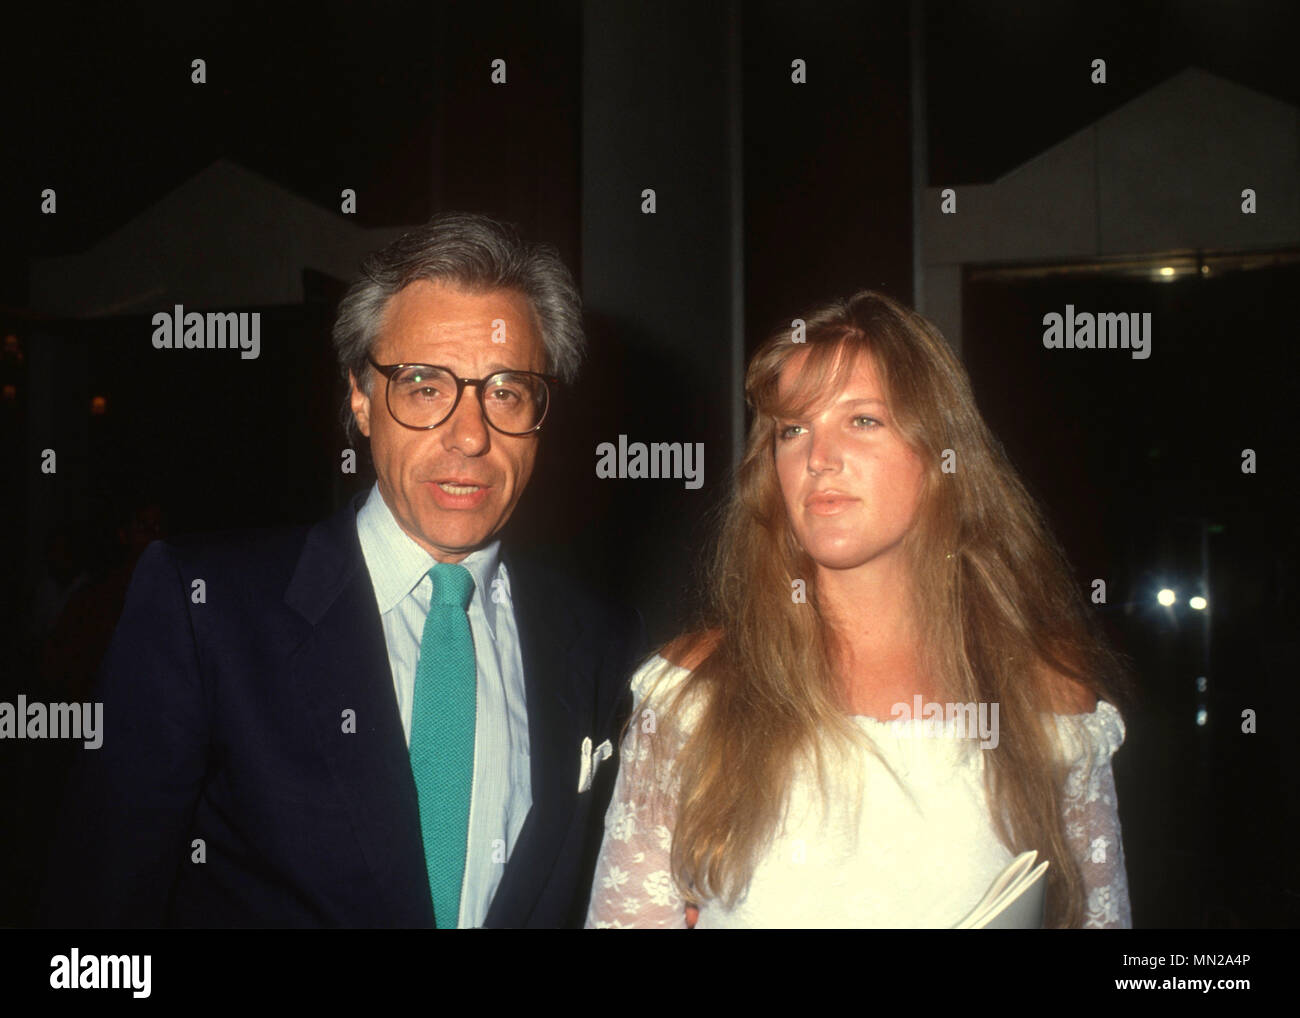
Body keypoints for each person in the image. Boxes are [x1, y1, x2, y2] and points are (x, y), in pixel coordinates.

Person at [41, 212, 643, 928]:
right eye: (425, 386)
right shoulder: (206, 610)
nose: (472, 434)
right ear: (360, 398)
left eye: (506, 391)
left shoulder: (600, 642)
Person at [586, 290, 1133, 929]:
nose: (818, 458)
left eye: (863, 420)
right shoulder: (694, 692)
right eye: (793, 430)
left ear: (940, 457)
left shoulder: (1047, 701)